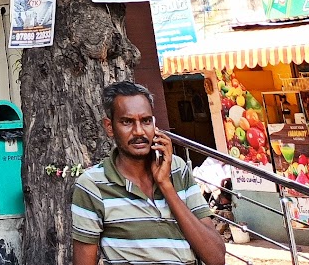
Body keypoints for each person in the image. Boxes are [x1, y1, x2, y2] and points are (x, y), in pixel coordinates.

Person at [72, 80, 226, 265]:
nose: (139, 132)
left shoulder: (177, 169)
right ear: (109, 127)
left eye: (145, 121)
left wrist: (166, 185)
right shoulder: (92, 184)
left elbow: (216, 258)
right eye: (127, 122)